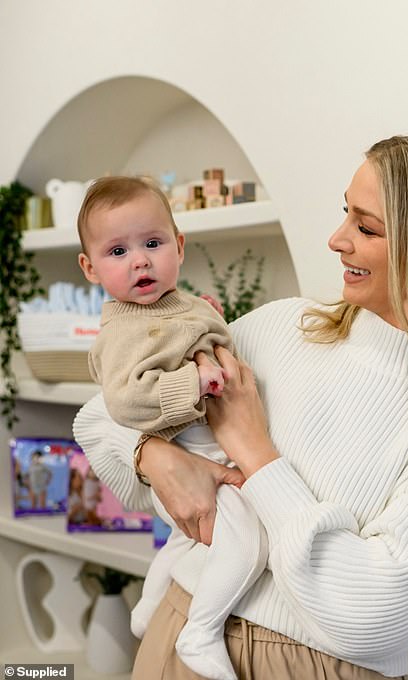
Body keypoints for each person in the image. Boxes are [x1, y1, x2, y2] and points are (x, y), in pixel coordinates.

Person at [73, 133, 408, 680]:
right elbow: (100, 414)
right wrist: (154, 457)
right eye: (346, 213)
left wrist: (257, 455)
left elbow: (372, 615)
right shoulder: (283, 327)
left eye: (366, 227)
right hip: (177, 640)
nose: (336, 239)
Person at [76, 176, 267, 680]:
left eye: (153, 244)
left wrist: (212, 323)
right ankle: (201, 630)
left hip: (212, 448)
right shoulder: (122, 331)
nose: (139, 260)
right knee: (248, 543)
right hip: (186, 456)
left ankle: (150, 603)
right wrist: (192, 381)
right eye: (117, 250)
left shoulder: (176, 305)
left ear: (178, 247)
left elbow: (200, 335)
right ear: (90, 268)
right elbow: (123, 399)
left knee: (190, 543)